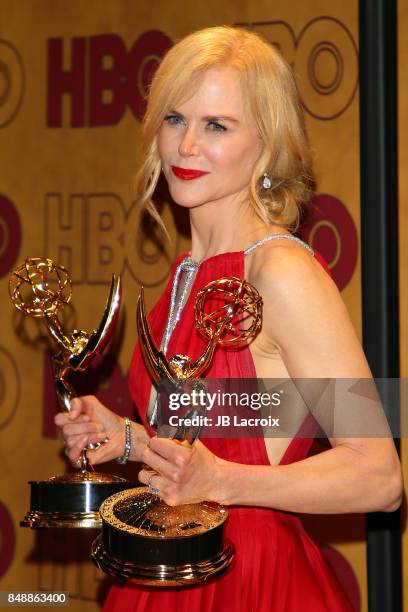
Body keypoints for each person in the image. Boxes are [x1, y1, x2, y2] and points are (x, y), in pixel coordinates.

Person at [55, 26, 402, 611]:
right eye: (175, 119)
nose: (186, 145)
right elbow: (219, 440)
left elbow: (380, 476)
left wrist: (227, 484)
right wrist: (130, 439)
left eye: (217, 125)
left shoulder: (283, 273)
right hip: (163, 569)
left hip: (249, 578)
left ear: (267, 143)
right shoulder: (185, 278)